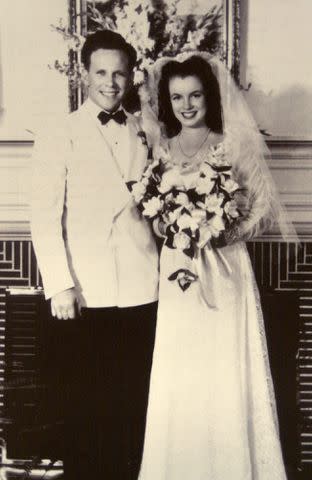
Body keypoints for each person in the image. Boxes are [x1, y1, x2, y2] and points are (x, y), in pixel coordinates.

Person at [137, 53, 296, 479]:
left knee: (221, 367)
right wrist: (165, 222)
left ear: (210, 96)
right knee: (181, 368)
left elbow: (261, 212)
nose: (186, 106)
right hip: (178, 272)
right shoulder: (159, 149)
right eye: (176, 98)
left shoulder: (232, 145)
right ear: (166, 101)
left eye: (195, 95)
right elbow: (149, 209)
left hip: (224, 269)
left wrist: (218, 231)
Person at [30, 30, 159, 480]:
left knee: (132, 405)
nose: (110, 82)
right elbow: (44, 216)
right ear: (84, 74)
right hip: (86, 292)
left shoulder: (148, 130)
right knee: (85, 407)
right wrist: (60, 285)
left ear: (131, 77)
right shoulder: (59, 133)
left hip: (144, 285)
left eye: (119, 72)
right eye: (101, 72)